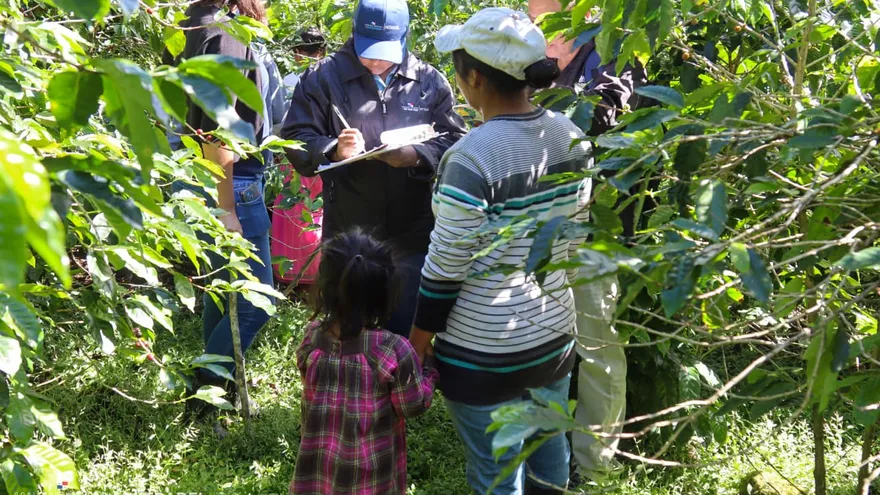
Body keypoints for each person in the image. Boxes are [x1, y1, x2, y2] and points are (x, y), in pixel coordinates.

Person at [408, 9, 593, 495]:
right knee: (550, 461)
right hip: (554, 333)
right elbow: (574, 239)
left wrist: (418, 341)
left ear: (474, 78)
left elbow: (446, 266)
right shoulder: (571, 137)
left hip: (483, 351)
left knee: (497, 476)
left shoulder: (471, 157)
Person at [281, 0, 467, 337]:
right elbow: (295, 138)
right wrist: (333, 148)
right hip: (349, 229)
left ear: (404, 37)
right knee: (348, 328)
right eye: (368, 51)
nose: (376, 61)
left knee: (403, 325)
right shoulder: (323, 77)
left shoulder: (427, 80)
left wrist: (416, 155)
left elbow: (455, 139)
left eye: (385, 52)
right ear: (354, 33)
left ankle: (403, 371)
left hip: (412, 229)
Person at [528, 0, 642, 478]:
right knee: (537, 338)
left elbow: (610, 120)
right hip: (537, 223)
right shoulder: (534, 54)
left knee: (597, 345)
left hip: (595, 223)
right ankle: (543, 455)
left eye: (541, 10)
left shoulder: (611, 52)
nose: (533, 17)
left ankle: (595, 466)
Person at [177, 0, 275, 419]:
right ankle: (203, 395)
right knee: (256, 300)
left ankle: (218, 397)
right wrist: (227, 210)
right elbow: (217, 130)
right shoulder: (227, 34)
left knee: (222, 295)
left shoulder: (192, 21)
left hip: (199, 179)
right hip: (230, 185)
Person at [291, 230, 438, 495]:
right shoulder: (393, 351)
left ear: (324, 289)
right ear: (385, 294)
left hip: (319, 474)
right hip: (372, 480)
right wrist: (429, 370)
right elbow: (413, 404)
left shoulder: (313, 338)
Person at [271, 27, 327, 288]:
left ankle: (294, 272)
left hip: (294, 156)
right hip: (318, 155)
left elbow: (278, 122)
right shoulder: (328, 78)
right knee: (312, 209)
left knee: (296, 208)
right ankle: (314, 272)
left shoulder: (291, 81)